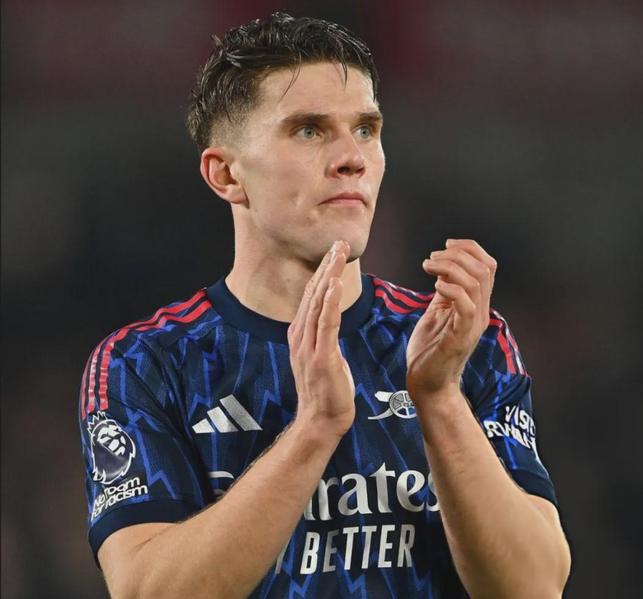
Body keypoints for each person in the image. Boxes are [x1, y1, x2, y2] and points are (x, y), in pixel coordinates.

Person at [79, 13, 571, 598]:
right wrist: (315, 428)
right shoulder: (147, 364)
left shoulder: (465, 340)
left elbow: (534, 587)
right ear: (226, 174)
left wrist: (440, 399)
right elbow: (148, 591)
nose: (352, 158)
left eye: (365, 128)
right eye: (309, 131)